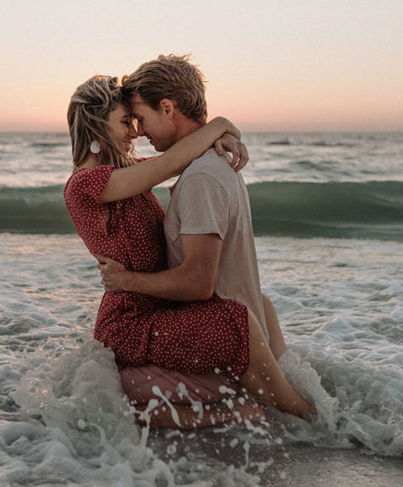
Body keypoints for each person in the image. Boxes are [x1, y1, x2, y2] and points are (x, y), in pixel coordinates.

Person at [65, 74, 314, 429]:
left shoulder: (122, 173)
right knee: (234, 320)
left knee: (262, 304)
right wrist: (221, 125)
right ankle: (283, 413)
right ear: (94, 122)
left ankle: (292, 398)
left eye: (135, 122)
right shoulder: (85, 184)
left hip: (159, 307)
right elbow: (169, 164)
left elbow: (181, 156)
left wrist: (220, 136)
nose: (134, 133)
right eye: (125, 122)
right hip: (130, 322)